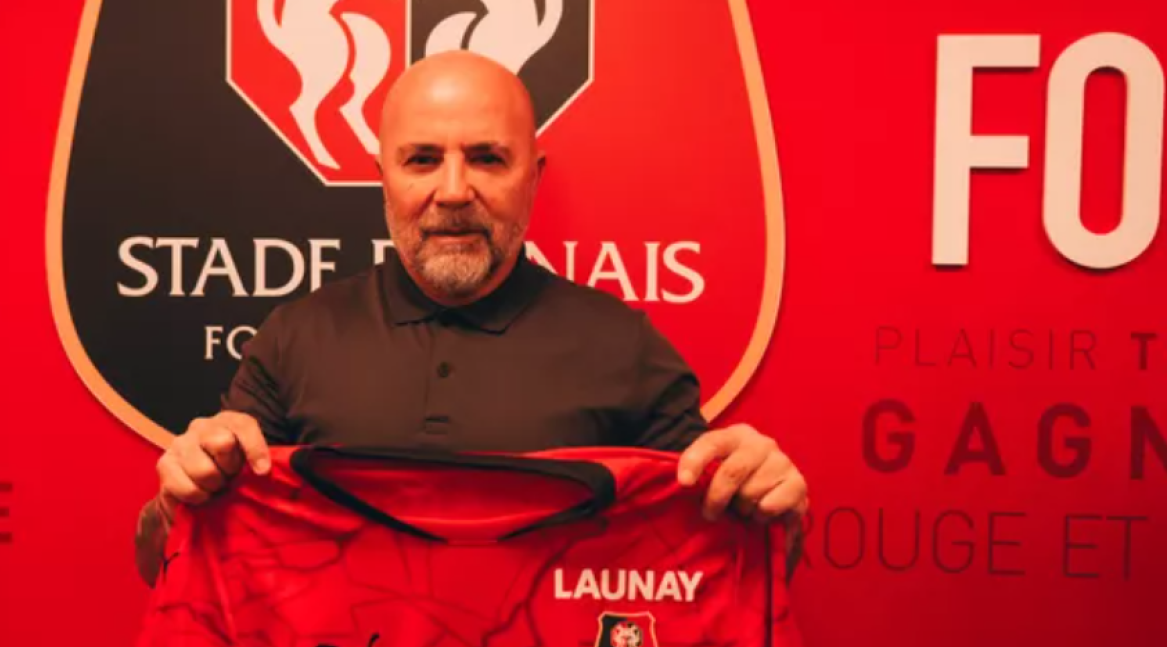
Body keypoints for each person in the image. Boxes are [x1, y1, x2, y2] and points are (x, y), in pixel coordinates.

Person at [133, 50, 808, 586]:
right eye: (422, 159)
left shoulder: (624, 347)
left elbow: (733, 566)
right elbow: (168, 565)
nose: (454, 191)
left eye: (487, 158)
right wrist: (175, 503)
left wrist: (771, 509)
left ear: (533, 176)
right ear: (383, 176)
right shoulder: (296, 337)